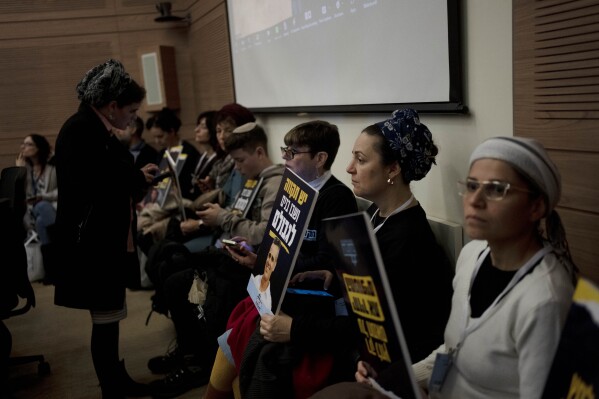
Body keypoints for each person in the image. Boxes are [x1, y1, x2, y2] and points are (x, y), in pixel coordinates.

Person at [321, 136, 579, 399]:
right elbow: (452, 352)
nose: (475, 200)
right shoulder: (472, 255)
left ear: (536, 207)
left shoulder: (546, 300)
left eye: (497, 189)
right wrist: (394, 380)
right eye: (472, 186)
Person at [203, 120, 360, 399]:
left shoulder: (336, 197)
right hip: (280, 287)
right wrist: (256, 251)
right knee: (239, 324)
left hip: (313, 297)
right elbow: (279, 240)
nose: (285, 158)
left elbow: (327, 262)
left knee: (249, 331)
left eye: (292, 153)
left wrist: (267, 265)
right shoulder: (294, 188)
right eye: (284, 151)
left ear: (320, 158)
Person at [148, 122, 285, 398]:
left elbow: (265, 235)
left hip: (248, 266)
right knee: (171, 265)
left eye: (239, 160)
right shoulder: (253, 179)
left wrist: (223, 217)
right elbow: (238, 215)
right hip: (229, 255)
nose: (236, 167)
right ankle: (189, 349)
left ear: (259, 152)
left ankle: (198, 359)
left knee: (182, 284)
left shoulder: (275, 183)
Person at [53, 59, 159, 398]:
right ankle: (113, 386)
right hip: (93, 242)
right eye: (130, 110)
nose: (133, 117)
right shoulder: (82, 130)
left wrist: (135, 178)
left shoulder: (93, 128)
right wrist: (134, 177)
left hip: (101, 238)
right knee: (105, 318)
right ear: (111, 106)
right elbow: (100, 180)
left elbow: (112, 173)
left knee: (109, 316)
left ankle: (115, 380)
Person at [15, 134, 58, 283]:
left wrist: (43, 197)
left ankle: (51, 272)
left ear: (38, 148)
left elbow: (64, 190)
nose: (23, 147)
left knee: (41, 216)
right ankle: (56, 254)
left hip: (52, 208)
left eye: (28, 144)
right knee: (40, 213)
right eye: (23, 144)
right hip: (31, 212)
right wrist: (19, 172)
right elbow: (20, 197)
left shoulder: (53, 166)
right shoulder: (26, 169)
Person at [151, 107, 200, 200]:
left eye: (160, 136)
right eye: (155, 137)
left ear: (172, 131)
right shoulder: (162, 153)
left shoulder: (189, 152)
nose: (157, 141)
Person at [251, 237, 281, 313]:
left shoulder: (269, 302)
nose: (268, 263)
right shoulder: (254, 280)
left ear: (275, 265)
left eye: (272, 259)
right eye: (269, 256)